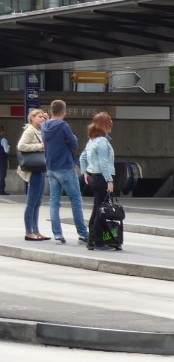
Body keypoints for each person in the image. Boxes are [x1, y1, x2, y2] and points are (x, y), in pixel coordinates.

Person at [41, 98, 88, 244]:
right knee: (75, 200)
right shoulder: (63, 126)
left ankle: (58, 234)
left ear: (51, 111)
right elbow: (74, 143)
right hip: (66, 167)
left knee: (54, 202)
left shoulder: (44, 126)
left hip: (51, 167)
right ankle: (82, 233)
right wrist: (67, 140)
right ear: (64, 112)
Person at [81, 111, 117, 251]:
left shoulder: (92, 141)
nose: (112, 122)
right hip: (102, 178)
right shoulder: (102, 141)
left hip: (94, 177)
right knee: (101, 211)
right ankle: (94, 240)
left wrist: (86, 172)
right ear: (105, 124)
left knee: (97, 209)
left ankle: (96, 239)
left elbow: (82, 158)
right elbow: (104, 162)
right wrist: (109, 181)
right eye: (109, 120)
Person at [18, 108, 50, 241]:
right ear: (32, 118)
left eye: (43, 117)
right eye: (39, 117)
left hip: (40, 169)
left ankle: (36, 230)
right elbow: (21, 146)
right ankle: (29, 231)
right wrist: (39, 146)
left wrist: (48, 121)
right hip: (33, 169)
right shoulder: (30, 130)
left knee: (37, 202)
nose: (42, 119)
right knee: (32, 202)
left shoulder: (40, 130)